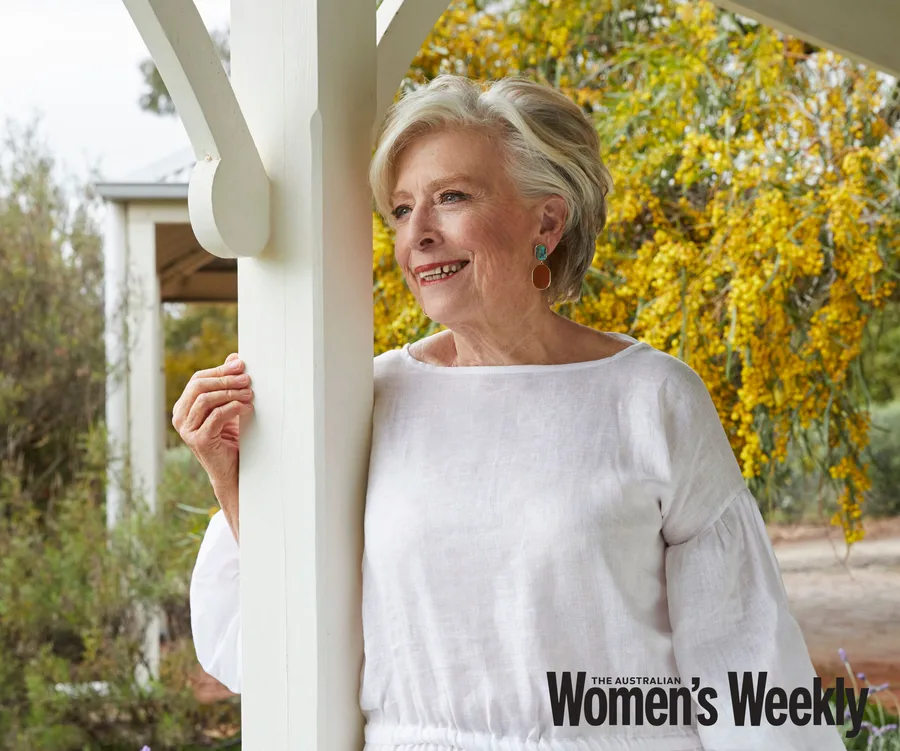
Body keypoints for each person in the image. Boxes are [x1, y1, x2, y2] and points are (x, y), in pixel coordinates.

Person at [176, 75, 845, 750]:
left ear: (547, 222)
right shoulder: (369, 398)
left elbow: (745, 658)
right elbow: (275, 652)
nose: (419, 236)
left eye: (452, 198)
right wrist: (234, 482)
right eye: (403, 211)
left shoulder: (653, 398)